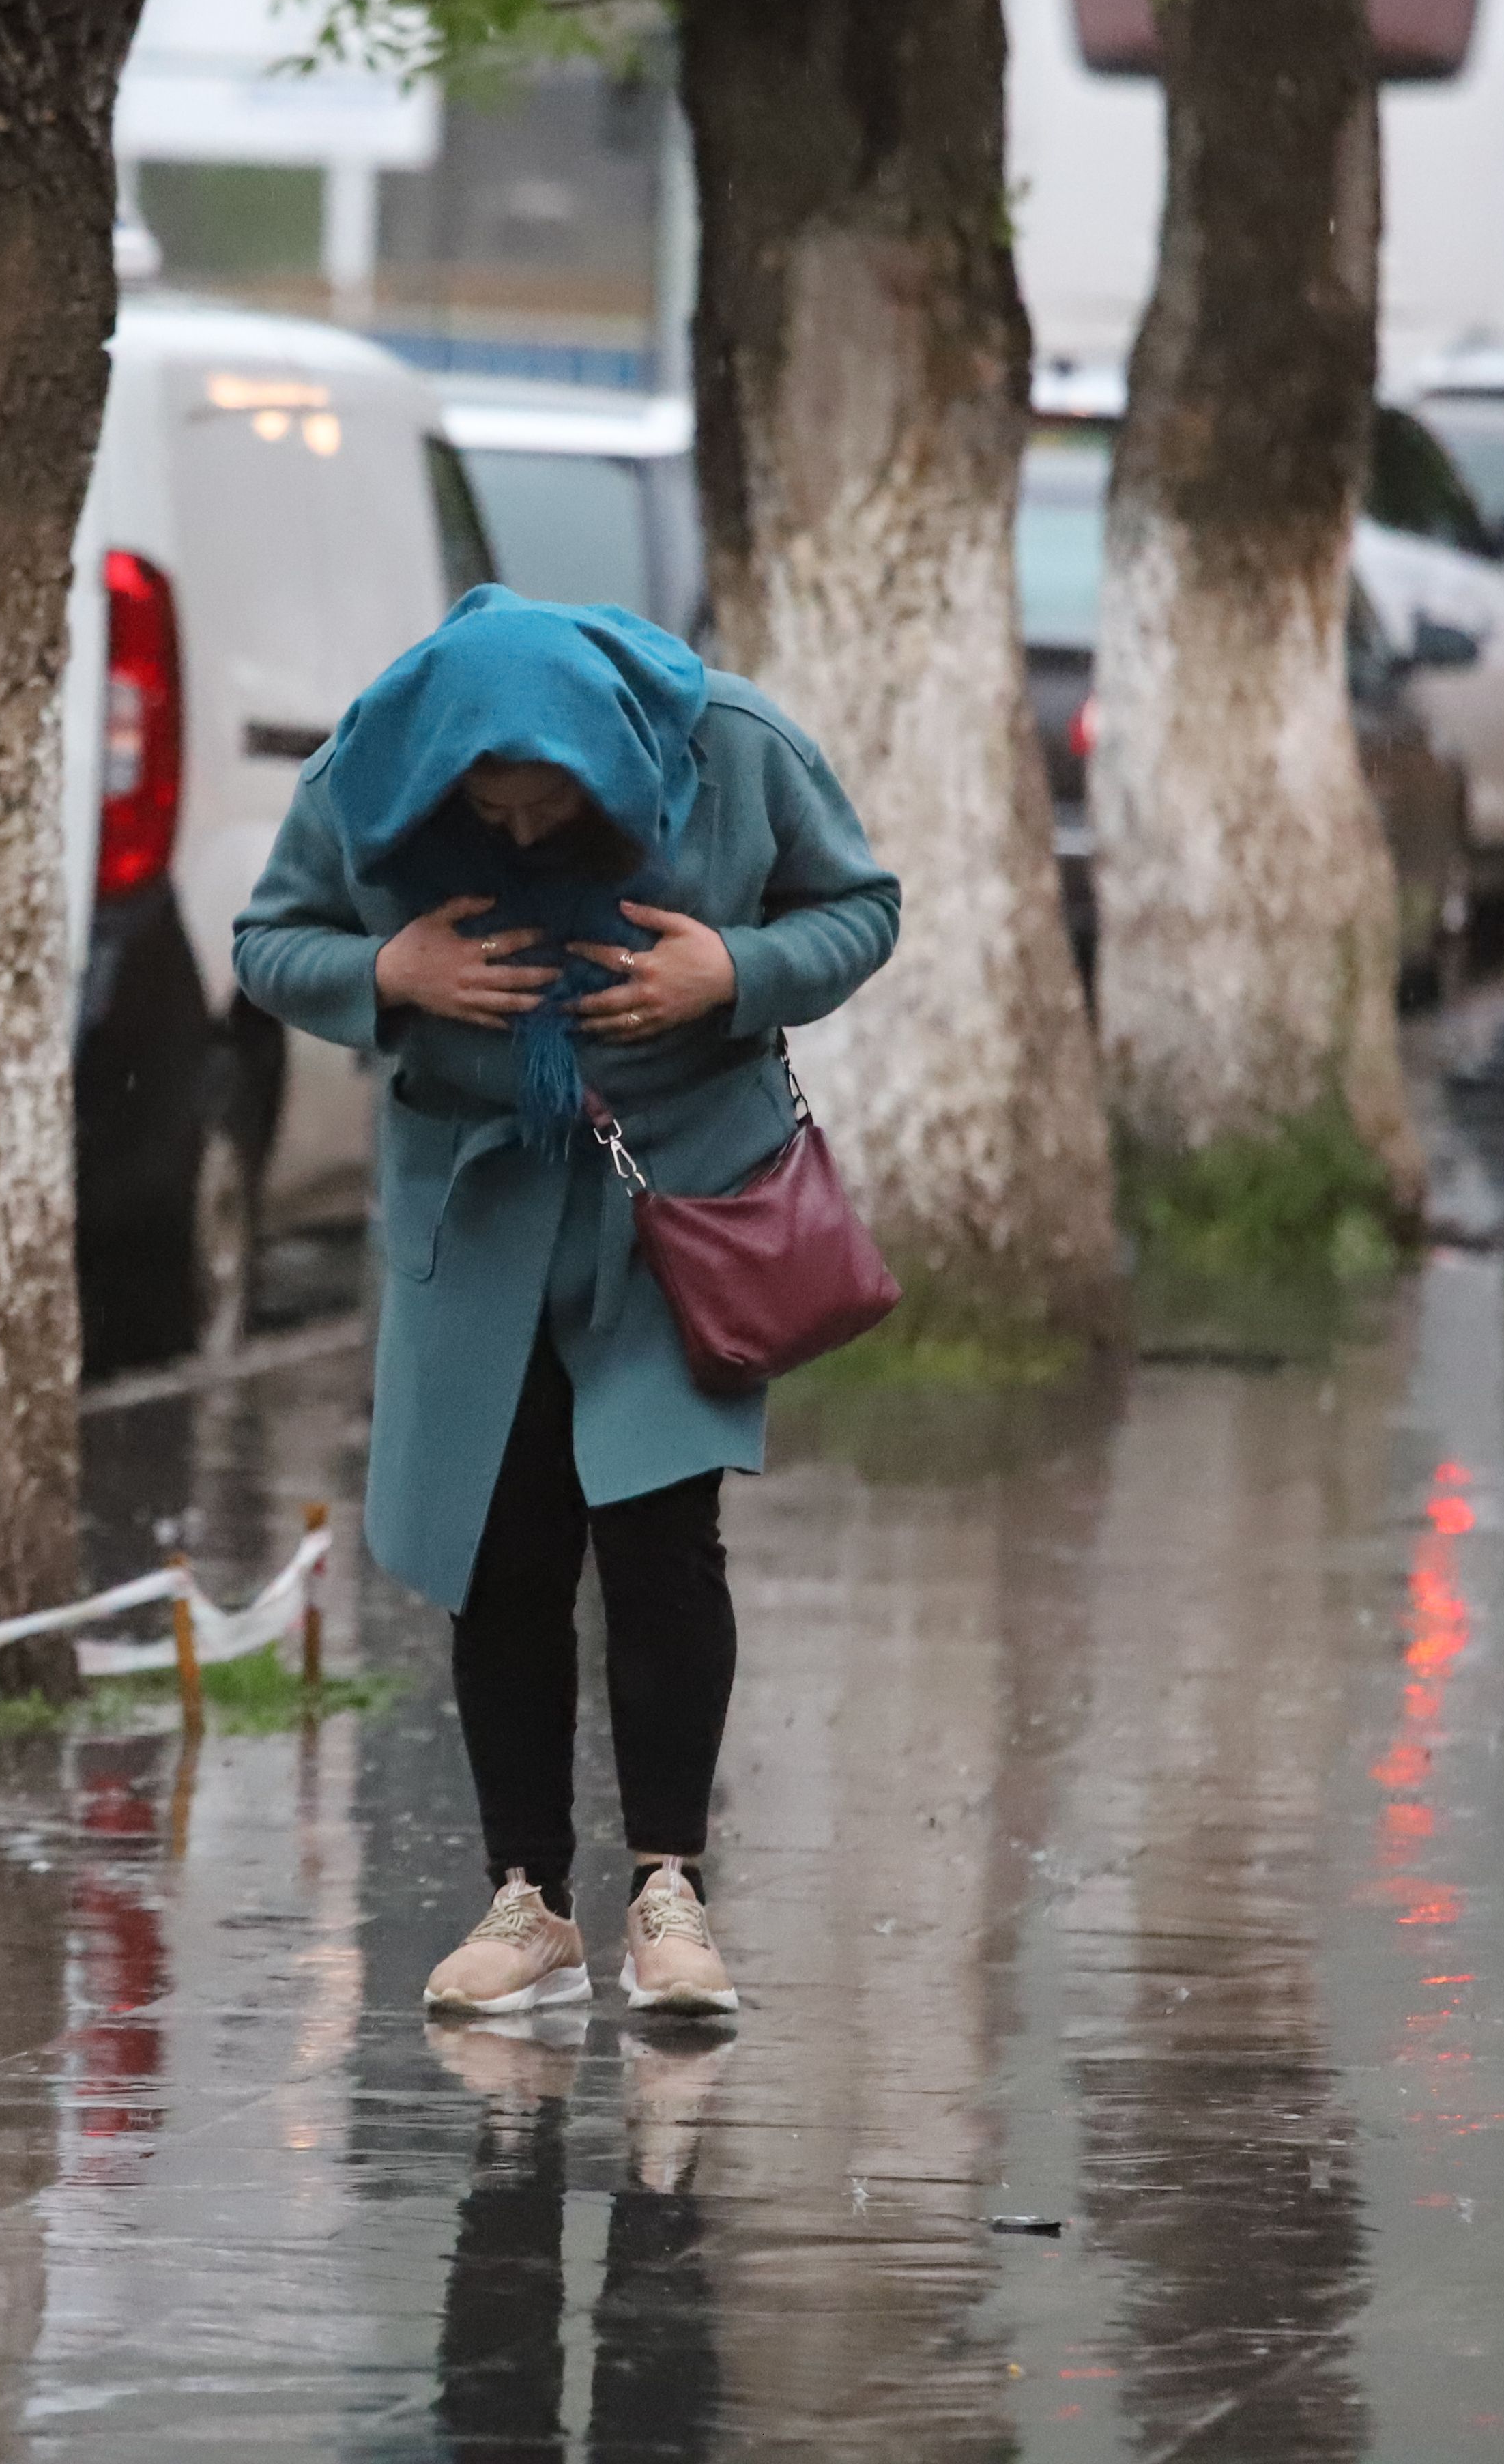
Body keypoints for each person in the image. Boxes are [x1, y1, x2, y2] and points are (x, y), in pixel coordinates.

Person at [233, 586, 899, 2018]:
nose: (521, 833)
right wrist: (390, 972)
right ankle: (525, 1901)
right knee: (504, 1552)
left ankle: (674, 1898)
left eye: (548, 805)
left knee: (666, 1543)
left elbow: (861, 904)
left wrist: (734, 970)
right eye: (490, 808)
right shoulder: (366, 773)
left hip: (676, 1213)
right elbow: (270, 942)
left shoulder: (729, 745)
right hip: (476, 1223)